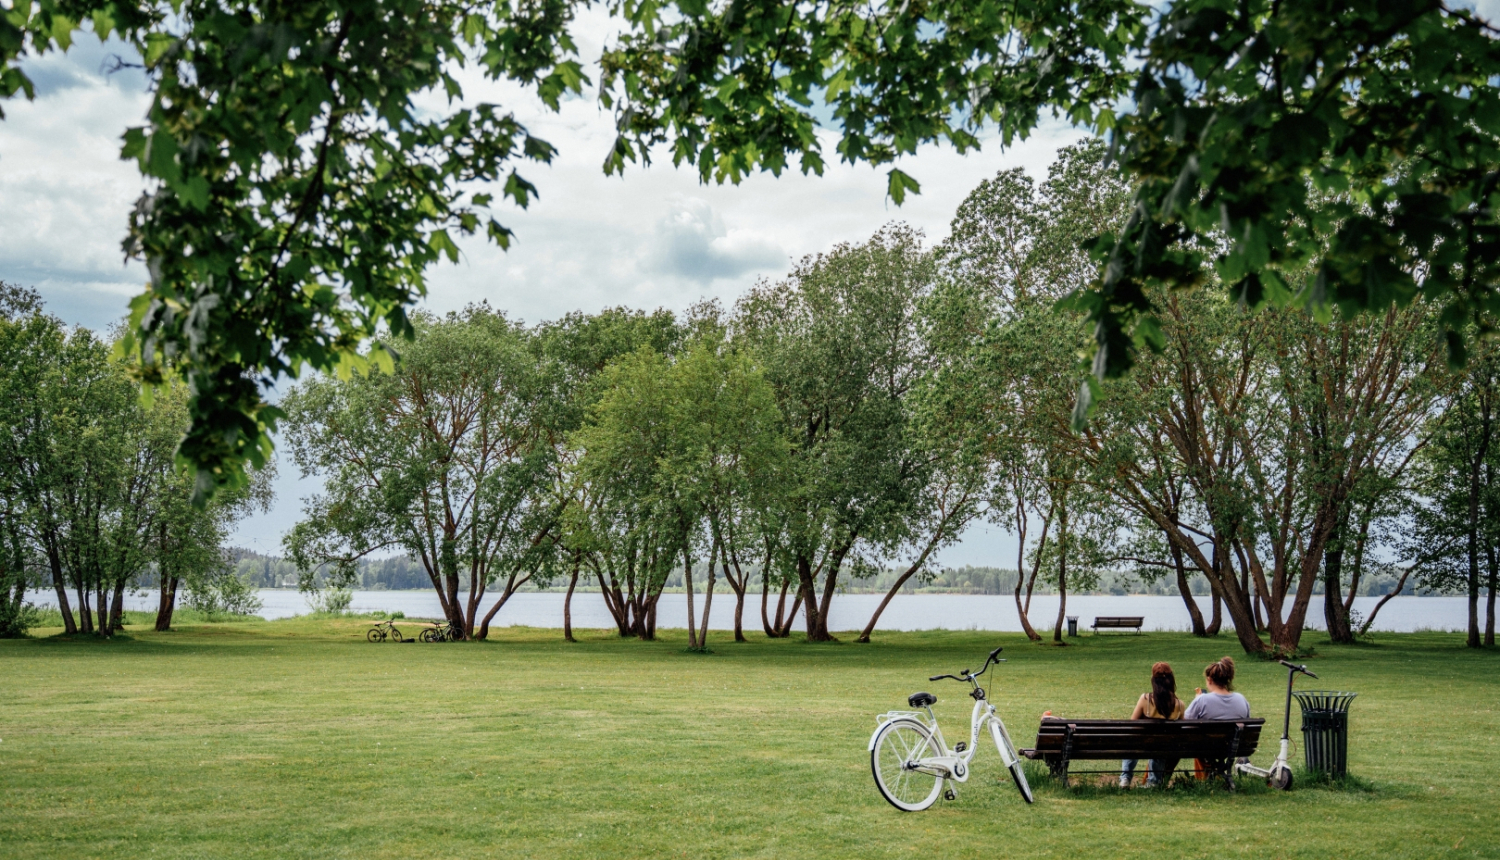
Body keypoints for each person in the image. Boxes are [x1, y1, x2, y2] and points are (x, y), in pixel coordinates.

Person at [1120, 662, 1185, 788]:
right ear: (1171, 680)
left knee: (1132, 742)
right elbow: (1179, 730)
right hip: (1162, 748)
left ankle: (1125, 778)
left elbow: (1132, 723)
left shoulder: (1145, 699)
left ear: (1153, 680)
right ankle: (1154, 781)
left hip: (1142, 744)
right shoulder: (1179, 705)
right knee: (1161, 744)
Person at [1184, 656, 1251, 720]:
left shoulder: (1202, 700)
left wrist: (1197, 699)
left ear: (1209, 680)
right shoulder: (1241, 699)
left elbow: (1186, 720)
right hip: (1234, 732)